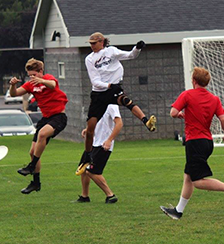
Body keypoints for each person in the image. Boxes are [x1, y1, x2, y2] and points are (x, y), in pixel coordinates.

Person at [77, 32, 156, 174]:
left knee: (126, 101)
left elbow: (130, 55)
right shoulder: (89, 59)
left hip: (113, 89)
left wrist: (137, 48)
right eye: (90, 43)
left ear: (102, 42)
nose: (92, 46)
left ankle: (146, 121)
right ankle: (87, 155)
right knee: (90, 130)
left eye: (94, 43)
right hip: (99, 94)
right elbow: (95, 81)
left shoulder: (111, 51)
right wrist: (108, 86)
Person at [160, 67, 224, 220]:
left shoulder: (187, 94)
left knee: (198, 182)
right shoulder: (214, 99)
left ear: (194, 81)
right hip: (207, 142)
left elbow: (173, 113)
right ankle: (178, 211)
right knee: (188, 176)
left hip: (194, 142)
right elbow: (222, 118)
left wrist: (181, 114)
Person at [9, 58, 68, 194]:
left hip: (59, 117)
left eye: (34, 75)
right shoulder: (30, 84)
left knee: (42, 134)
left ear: (41, 71)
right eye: (30, 75)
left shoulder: (47, 78)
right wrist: (12, 85)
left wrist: (41, 81)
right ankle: (35, 183)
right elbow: (14, 94)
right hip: (45, 119)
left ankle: (31, 166)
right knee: (32, 152)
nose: (32, 78)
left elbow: (53, 85)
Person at [75, 104, 123, 203]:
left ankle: (110, 195)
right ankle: (85, 196)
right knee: (83, 168)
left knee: (92, 171)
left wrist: (109, 140)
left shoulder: (111, 105)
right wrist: (88, 130)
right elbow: (98, 121)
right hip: (93, 143)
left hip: (103, 145)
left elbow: (119, 124)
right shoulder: (98, 103)